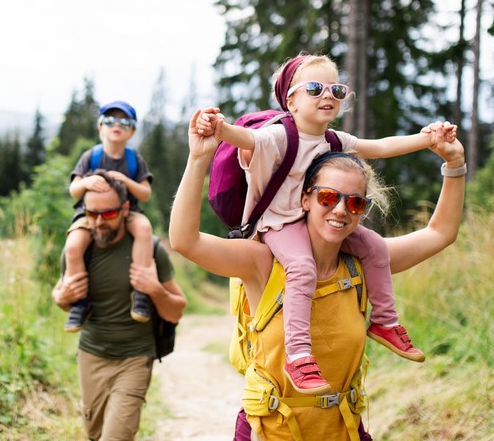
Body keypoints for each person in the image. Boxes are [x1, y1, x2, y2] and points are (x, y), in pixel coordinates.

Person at [172, 107, 466, 439]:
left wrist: (454, 165)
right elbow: (185, 241)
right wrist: (198, 158)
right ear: (305, 199)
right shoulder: (263, 262)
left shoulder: (365, 264)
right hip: (271, 431)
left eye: (355, 203)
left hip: (344, 430)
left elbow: (440, 234)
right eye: (328, 197)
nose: (341, 210)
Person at [197, 53, 456, 394]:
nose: (328, 96)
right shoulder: (278, 136)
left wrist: (428, 140)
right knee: (302, 267)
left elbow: (377, 147)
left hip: (311, 221)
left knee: (375, 245)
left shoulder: (333, 141)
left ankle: (384, 322)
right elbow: (246, 140)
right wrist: (217, 128)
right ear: (291, 100)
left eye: (337, 89)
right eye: (316, 88)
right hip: (279, 226)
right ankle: (299, 354)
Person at [52, 169, 187, 441]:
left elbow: (177, 308)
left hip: (135, 358)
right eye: (91, 214)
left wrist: (154, 290)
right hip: (92, 355)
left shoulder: (151, 250)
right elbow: (62, 296)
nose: (99, 222)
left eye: (109, 214)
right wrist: (61, 297)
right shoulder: (79, 249)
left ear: (125, 209)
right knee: (95, 433)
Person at [64, 100, 156, 332]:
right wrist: (85, 181)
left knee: (144, 230)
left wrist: (126, 181)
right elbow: (74, 190)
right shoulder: (91, 157)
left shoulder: (134, 159)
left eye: (124, 122)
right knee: (74, 246)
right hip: (91, 214)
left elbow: (145, 193)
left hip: (128, 211)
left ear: (132, 131)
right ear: (100, 127)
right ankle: (80, 302)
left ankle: (140, 293)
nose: (117, 126)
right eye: (110, 121)